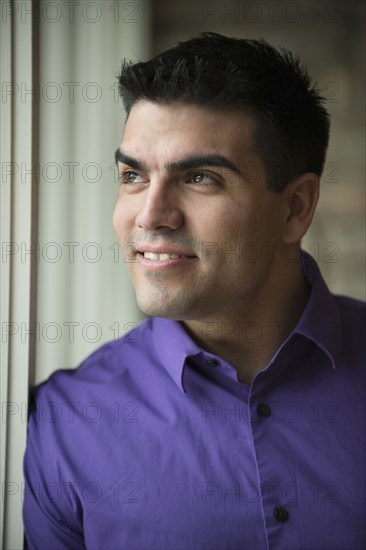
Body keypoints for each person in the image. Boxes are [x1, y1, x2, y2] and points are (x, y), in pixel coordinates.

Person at [23, 32, 365, 549]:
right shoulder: (62, 422)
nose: (151, 215)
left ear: (295, 208)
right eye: (133, 175)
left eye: (201, 177)